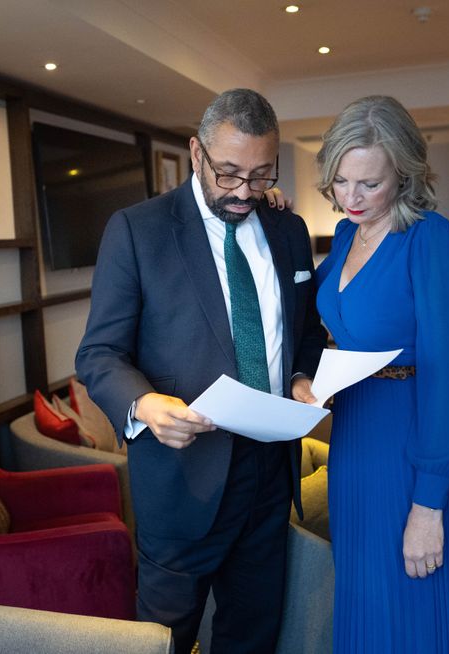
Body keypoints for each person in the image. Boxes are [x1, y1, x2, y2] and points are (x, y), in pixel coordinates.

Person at [76, 88, 326, 654]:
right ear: (196, 153)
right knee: (165, 639)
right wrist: (142, 405)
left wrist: (299, 378)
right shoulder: (137, 231)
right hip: (182, 476)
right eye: (230, 173)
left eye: (261, 175)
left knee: (253, 631)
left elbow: (305, 331)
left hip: (270, 472)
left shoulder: (287, 231)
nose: (243, 192)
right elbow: (98, 353)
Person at [313, 96, 449, 652]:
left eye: (369, 184)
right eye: (341, 181)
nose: (351, 197)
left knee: (420, 600)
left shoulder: (431, 239)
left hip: (412, 442)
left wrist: (429, 503)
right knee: (367, 595)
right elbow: (312, 307)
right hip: (354, 439)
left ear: (404, 174)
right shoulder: (348, 236)